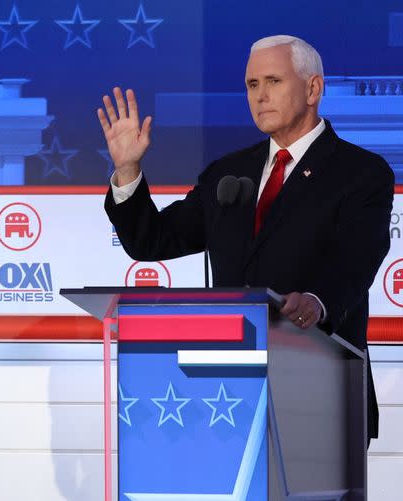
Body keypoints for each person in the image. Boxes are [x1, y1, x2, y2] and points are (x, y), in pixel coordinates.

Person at [99, 35, 393, 444]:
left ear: (313, 88)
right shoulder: (228, 173)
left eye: (273, 81)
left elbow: (357, 258)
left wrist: (316, 301)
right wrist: (128, 170)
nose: (260, 95)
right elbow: (154, 241)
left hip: (320, 389)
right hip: (227, 397)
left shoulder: (361, 173)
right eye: (252, 85)